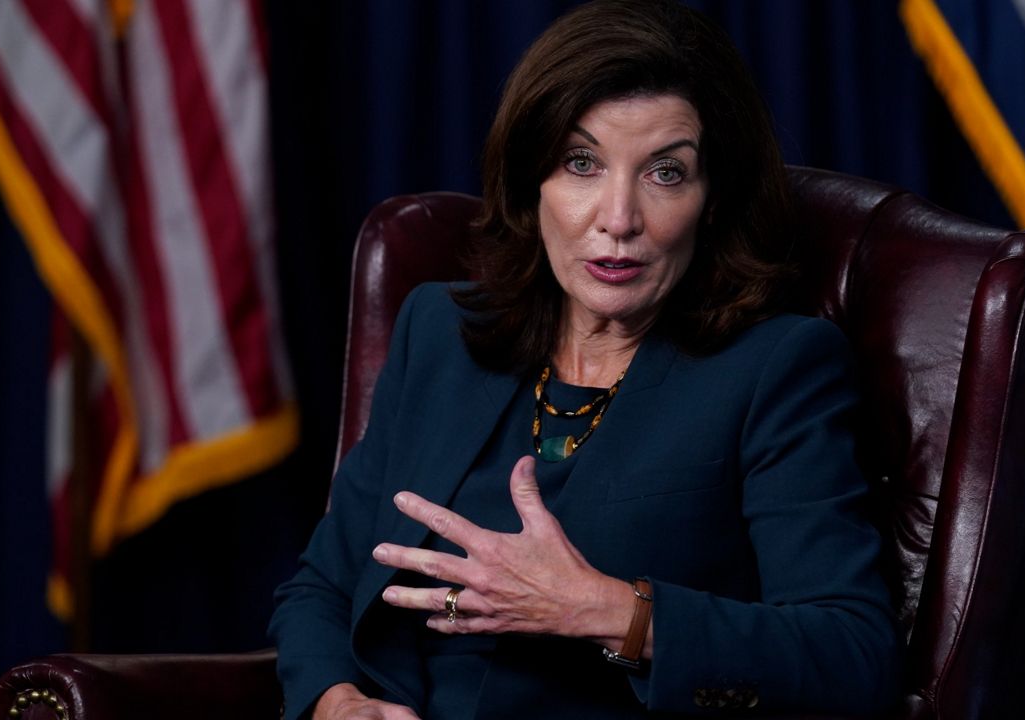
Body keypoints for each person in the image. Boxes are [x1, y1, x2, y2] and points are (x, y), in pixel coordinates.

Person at [270, 1, 899, 717]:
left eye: (665, 173)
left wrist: (607, 610)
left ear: (713, 200)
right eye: (581, 163)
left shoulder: (777, 370)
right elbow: (323, 584)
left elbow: (854, 657)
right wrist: (337, 701)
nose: (618, 218)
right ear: (529, 179)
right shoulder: (439, 333)